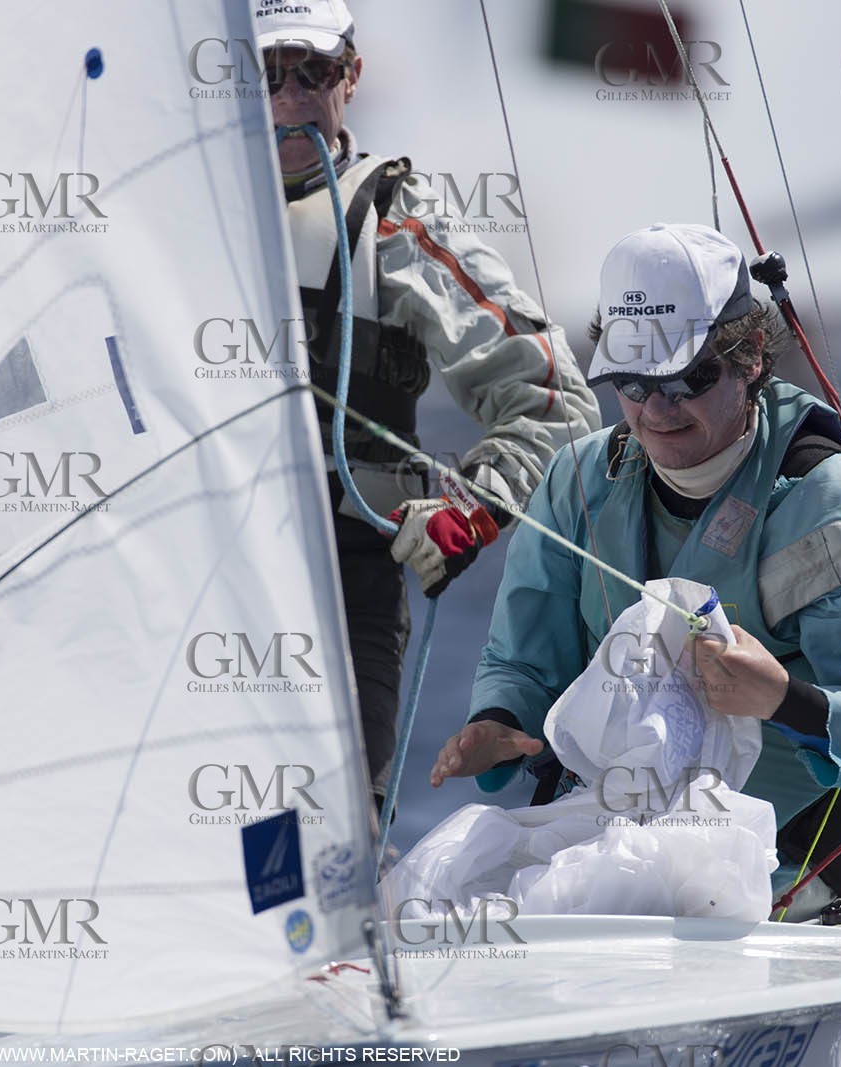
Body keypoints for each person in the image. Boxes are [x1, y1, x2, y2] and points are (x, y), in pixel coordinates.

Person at [429, 223, 841, 911]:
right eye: (633, 381)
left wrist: (781, 700)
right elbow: (523, 663)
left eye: (686, 378)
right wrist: (498, 723)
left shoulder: (830, 506)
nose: (657, 409)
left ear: (753, 356)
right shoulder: (576, 482)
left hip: (778, 880)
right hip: (599, 848)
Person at [254, 0, 598, 806]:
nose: (292, 96)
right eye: (268, 73)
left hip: (345, 587)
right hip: (180, 588)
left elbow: (556, 402)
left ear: (352, 77)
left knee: (328, 855)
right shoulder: (157, 227)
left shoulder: (397, 225)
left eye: (316, 71)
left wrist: (469, 510)